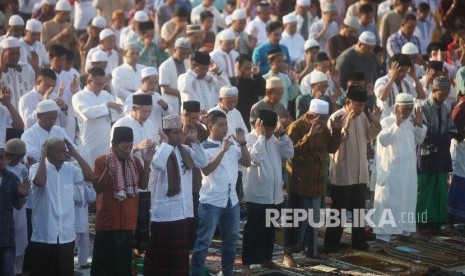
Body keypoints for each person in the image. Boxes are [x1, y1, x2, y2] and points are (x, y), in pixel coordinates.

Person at [144, 114, 207, 275]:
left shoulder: (185, 150)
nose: (180, 136)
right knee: (160, 260)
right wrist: (166, 143)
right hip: (164, 215)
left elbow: (202, 162)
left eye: (181, 132)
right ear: (166, 134)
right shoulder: (159, 150)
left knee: (179, 262)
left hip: (183, 213)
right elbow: (157, 163)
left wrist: (194, 140)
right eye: (175, 133)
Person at [190, 110, 251, 276]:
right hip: (211, 202)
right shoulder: (203, 147)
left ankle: (227, 272)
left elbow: (247, 162)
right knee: (203, 242)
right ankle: (195, 273)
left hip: (232, 202)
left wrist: (243, 143)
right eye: (221, 125)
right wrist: (222, 151)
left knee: (230, 242)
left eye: (226, 125)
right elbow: (207, 169)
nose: (225, 128)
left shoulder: (231, 145)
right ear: (210, 126)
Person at [324, 86, 382, 253]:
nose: (360, 108)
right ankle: (331, 244)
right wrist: (345, 127)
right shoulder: (336, 117)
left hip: (360, 171)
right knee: (338, 211)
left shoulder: (363, 116)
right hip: (343, 171)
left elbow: (369, 137)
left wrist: (376, 121)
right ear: (348, 102)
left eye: (363, 105)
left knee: (358, 210)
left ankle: (359, 241)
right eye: (357, 104)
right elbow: (332, 146)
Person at [91, 126, 155, 276]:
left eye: (130, 146)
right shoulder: (101, 161)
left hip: (127, 222)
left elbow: (143, 185)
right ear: (114, 146)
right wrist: (108, 169)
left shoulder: (134, 162)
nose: (127, 150)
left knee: (122, 266)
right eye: (124, 147)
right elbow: (98, 188)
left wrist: (147, 163)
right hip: (108, 222)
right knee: (104, 266)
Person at [27, 137, 93, 276]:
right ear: (48, 153)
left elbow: (90, 176)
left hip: (66, 235)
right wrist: (42, 157)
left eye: (64, 151)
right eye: (59, 152)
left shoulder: (70, 168)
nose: (63, 155)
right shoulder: (35, 168)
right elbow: (40, 181)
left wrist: (75, 154)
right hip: (44, 236)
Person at [242, 110, 294, 270]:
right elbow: (254, 159)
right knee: (254, 231)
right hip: (257, 195)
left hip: (274, 196)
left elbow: (289, 152)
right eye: (268, 129)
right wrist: (261, 137)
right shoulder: (249, 139)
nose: (271, 132)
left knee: (269, 230)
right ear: (260, 125)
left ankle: (266, 258)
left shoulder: (274, 140)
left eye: (273, 129)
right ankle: (247, 264)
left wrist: (283, 133)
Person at [373, 93, 427, 245]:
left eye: (410, 109)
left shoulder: (409, 123)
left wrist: (419, 125)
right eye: (406, 109)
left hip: (408, 173)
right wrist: (396, 123)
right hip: (392, 173)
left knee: (407, 202)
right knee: (389, 204)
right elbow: (383, 140)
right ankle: (383, 237)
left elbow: (419, 140)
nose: (409, 112)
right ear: (397, 108)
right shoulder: (387, 121)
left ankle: (404, 232)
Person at [417, 76, 456, 237]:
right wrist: (444, 139)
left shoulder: (445, 108)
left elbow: (452, 131)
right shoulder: (423, 107)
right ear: (433, 91)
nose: (445, 96)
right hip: (427, 156)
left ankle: (435, 223)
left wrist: (443, 139)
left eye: (447, 93)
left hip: (441, 156)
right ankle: (421, 224)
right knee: (425, 190)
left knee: (440, 189)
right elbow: (423, 134)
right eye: (442, 93)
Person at [72, 67, 122, 167]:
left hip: (106, 142)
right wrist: (106, 107)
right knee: (89, 174)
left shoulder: (106, 95)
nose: (101, 86)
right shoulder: (78, 96)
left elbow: (118, 113)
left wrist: (103, 111)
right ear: (89, 81)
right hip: (88, 144)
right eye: (98, 84)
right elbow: (87, 114)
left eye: (103, 84)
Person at [0, 142, 29, 276]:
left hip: (6, 235)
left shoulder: (12, 178)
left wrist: (22, 195)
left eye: (2, 157)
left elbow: (18, 205)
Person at [21, 99, 73, 165]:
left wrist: (64, 155)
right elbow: (34, 156)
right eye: (49, 118)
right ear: (38, 116)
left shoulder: (59, 130)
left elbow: (73, 150)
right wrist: (61, 156)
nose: (53, 121)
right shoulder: (28, 135)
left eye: (55, 118)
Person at [375, 53, 426, 119]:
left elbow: (422, 96)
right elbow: (382, 97)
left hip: (404, 123)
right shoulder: (382, 81)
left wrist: (415, 77)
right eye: (402, 71)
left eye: (406, 71)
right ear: (393, 68)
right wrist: (392, 78)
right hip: (386, 123)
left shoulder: (406, 83)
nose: (405, 75)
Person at [123, 67, 173, 131]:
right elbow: (128, 115)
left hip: (156, 133)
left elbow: (170, 114)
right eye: (151, 83)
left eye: (155, 83)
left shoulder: (157, 96)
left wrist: (165, 106)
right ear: (142, 81)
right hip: (139, 132)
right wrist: (144, 99)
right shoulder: (132, 97)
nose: (154, 86)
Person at [229, 54, 266, 131]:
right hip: (237, 118)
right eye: (246, 68)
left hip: (252, 118)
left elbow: (263, 91)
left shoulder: (253, 82)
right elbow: (236, 89)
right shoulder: (232, 81)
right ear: (239, 67)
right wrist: (238, 74)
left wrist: (257, 75)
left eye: (250, 68)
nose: (249, 71)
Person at [0, 37, 36, 109]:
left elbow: (35, 90)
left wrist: (37, 69)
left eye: (17, 53)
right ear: (2, 53)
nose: (15, 57)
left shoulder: (27, 69)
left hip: (25, 114)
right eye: (11, 54)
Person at [159, 37, 191, 114]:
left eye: (186, 53)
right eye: (182, 53)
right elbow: (166, 89)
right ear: (175, 50)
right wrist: (184, 93)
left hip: (185, 105)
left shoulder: (188, 64)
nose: (184, 55)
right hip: (171, 105)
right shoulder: (165, 66)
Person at [73, 177, 96, 269]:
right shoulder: (71, 186)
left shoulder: (85, 186)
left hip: (84, 221)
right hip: (73, 223)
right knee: (72, 245)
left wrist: (89, 185)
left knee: (85, 244)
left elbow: (92, 197)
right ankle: (67, 266)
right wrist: (81, 186)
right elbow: (77, 198)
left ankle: (83, 262)